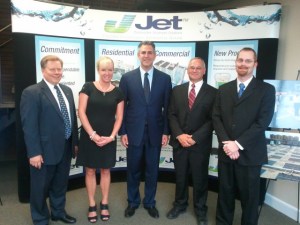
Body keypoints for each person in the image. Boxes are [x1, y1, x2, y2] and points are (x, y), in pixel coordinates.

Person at [212, 47, 275, 225]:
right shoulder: (223, 89)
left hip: (250, 154)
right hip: (226, 152)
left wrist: (237, 144)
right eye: (240, 60)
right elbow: (216, 117)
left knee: (250, 198)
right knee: (225, 193)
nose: (243, 64)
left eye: (248, 61)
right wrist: (227, 143)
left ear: (255, 64)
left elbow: (262, 122)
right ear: (236, 62)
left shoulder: (266, 90)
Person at [20, 55, 78, 225]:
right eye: (52, 69)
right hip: (43, 151)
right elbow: (29, 126)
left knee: (60, 184)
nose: (57, 72)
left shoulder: (66, 91)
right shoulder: (31, 92)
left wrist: (74, 143)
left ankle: (58, 212)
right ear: (43, 70)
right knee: (40, 188)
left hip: (65, 147)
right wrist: (34, 152)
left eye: (59, 69)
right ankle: (40, 219)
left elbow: (71, 119)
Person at [119, 41, 172, 219]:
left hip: (156, 133)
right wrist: (123, 131)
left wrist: (166, 132)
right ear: (138, 55)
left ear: (155, 55)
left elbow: (168, 108)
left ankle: (150, 202)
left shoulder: (165, 79)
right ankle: (133, 202)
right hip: (133, 133)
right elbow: (121, 108)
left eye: (150, 52)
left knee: (152, 170)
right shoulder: (127, 78)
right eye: (143, 52)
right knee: (133, 170)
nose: (147, 55)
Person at [167, 57, 216, 225]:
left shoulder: (214, 93)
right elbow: (171, 115)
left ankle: (201, 209)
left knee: (200, 178)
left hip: (200, 144)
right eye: (191, 67)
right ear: (187, 70)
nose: (194, 70)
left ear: (204, 71)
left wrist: (195, 138)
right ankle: (179, 204)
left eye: (198, 68)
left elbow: (213, 120)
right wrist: (179, 135)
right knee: (180, 176)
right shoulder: (177, 90)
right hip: (179, 142)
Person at [76, 56, 124, 223]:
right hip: (90, 136)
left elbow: (119, 117)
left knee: (105, 170)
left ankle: (104, 202)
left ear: (113, 71)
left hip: (108, 138)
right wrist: (92, 135)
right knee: (89, 170)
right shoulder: (88, 87)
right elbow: (81, 112)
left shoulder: (118, 92)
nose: (107, 73)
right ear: (98, 70)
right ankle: (91, 204)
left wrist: (111, 137)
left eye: (110, 69)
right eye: (103, 69)